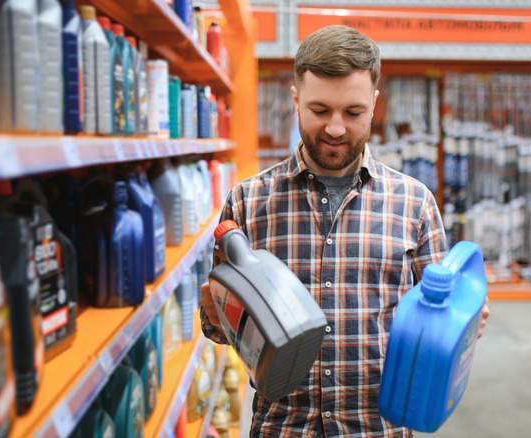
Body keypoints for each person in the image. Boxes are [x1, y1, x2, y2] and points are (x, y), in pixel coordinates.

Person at [200, 24, 490, 437]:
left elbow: (439, 321)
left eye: (353, 113)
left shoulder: (415, 204)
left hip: (379, 428)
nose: (336, 128)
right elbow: (217, 329)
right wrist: (215, 312)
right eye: (320, 110)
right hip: (284, 428)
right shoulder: (247, 202)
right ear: (296, 100)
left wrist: (463, 321)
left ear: (374, 103)